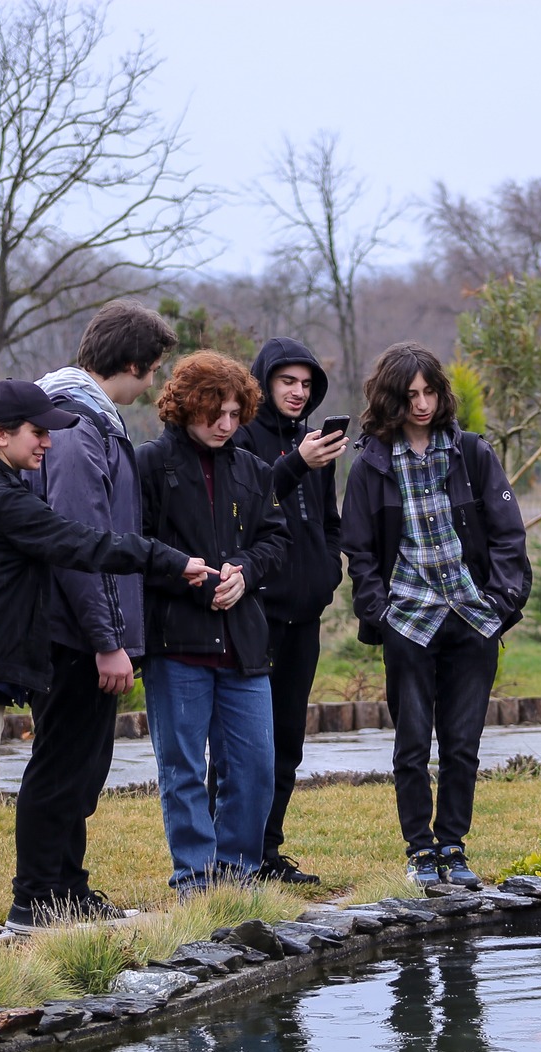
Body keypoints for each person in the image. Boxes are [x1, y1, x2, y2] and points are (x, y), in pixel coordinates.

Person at [0, 379, 210, 948]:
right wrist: (169, 560)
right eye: (37, 432)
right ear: (0, 433)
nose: (47, 443)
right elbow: (82, 543)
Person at [8, 302, 181, 933]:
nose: (152, 383)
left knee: (82, 764)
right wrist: (108, 640)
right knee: (63, 764)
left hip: (81, 628)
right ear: (131, 363)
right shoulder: (80, 427)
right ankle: (36, 898)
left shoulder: (86, 418)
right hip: (72, 633)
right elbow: (80, 544)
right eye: (153, 369)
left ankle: (67, 888)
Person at [342, 343, 529, 891]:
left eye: (428, 392)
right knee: (412, 744)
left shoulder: (472, 453)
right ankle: (420, 851)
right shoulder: (372, 463)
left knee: (462, 743)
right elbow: (359, 550)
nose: (421, 404)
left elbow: (509, 535)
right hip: (409, 620)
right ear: (390, 399)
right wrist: (380, 613)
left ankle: (453, 845)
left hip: (472, 617)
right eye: (410, 395)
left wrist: (500, 604)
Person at [134, 351, 290, 897]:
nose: (226, 424)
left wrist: (245, 572)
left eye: (234, 413)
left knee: (255, 768)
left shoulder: (253, 469)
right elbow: (134, 545)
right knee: (182, 769)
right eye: (214, 413)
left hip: (244, 645)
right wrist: (190, 577)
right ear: (186, 406)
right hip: (176, 643)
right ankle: (194, 881)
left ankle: (237, 876)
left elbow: (276, 540)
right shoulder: (148, 464)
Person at [233, 338, 346, 884]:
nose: (298, 392)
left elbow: (329, 521)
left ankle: (268, 852)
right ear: (264, 382)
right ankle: (233, 855)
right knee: (245, 743)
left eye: (306, 384)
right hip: (256, 611)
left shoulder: (313, 443)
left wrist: (328, 571)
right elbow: (248, 506)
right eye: (287, 382)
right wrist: (296, 464)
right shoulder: (241, 438)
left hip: (306, 615)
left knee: (287, 740)